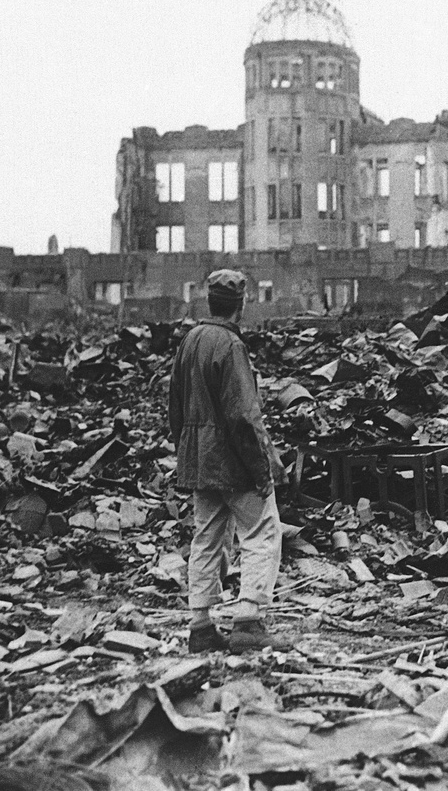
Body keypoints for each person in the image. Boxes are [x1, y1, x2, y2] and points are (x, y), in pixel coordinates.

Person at [168, 269, 289, 653]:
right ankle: (248, 620)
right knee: (261, 532)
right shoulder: (230, 345)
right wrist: (262, 468)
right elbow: (242, 416)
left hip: (200, 461)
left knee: (206, 537)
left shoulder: (190, 341)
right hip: (233, 461)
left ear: (210, 301)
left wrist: (188, 451)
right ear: (240, 304)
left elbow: (175, 406)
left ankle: (200, 625)